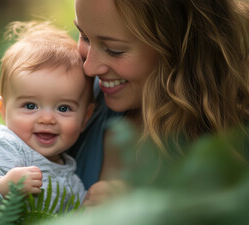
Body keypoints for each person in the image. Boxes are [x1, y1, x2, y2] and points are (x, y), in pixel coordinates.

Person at [69, 0, 249, 193]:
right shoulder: (81, 100)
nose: (89, 68)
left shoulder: (232, 146)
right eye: (85, 37)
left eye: (115, 50)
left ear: (179, 47)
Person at [0, 21, 95, 211]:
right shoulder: (0, 145)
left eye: (63, 108)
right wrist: (3, 187)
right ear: (3, 108)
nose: (47, 119)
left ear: (85, 117)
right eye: (30, 106)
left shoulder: (72, 179)